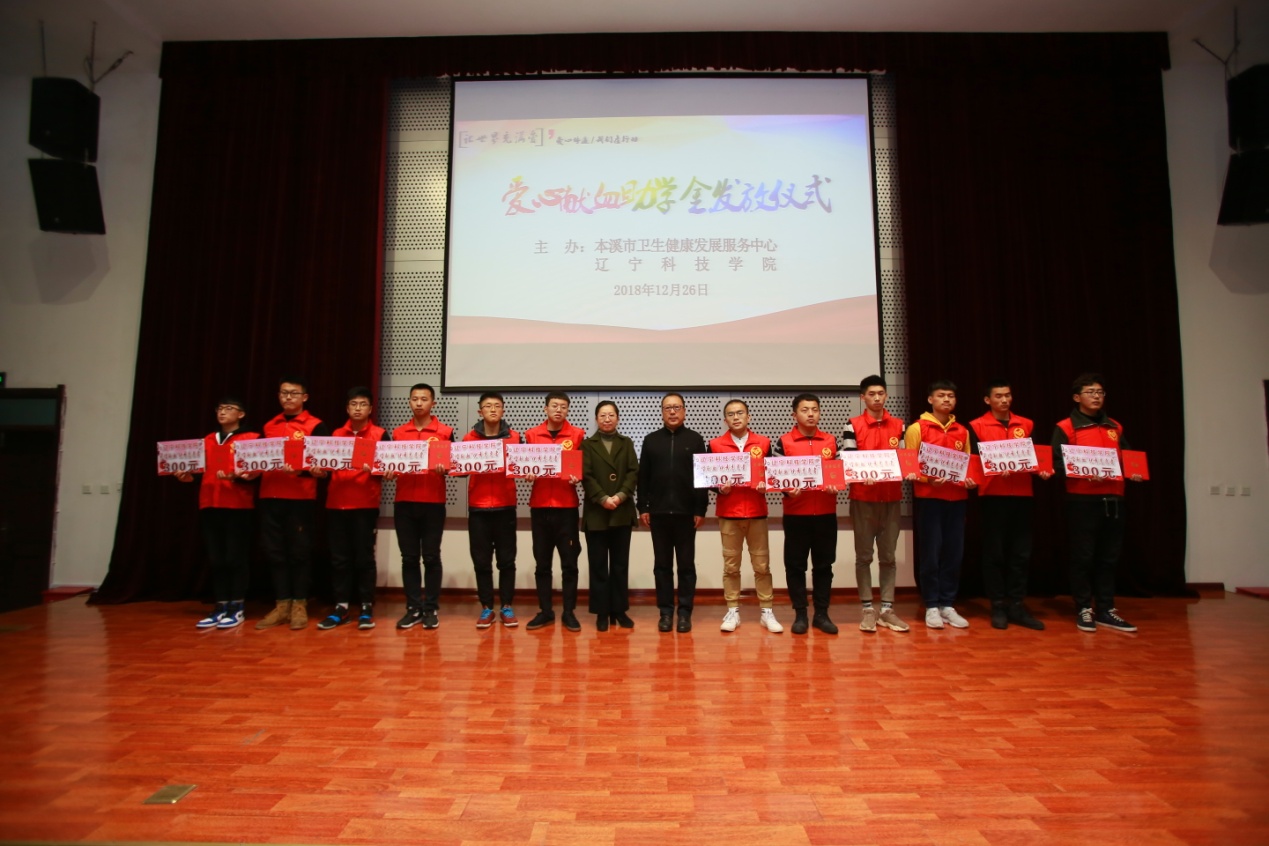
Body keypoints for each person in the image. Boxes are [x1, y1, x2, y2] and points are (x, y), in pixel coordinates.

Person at [1051, 373, 1143, 633]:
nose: (1096, 396)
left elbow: (1128, 456)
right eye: (1090, 392)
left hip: (1113, 499)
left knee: (1109, 558)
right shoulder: (1066, 427)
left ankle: (1106, 609)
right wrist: (1081, 472)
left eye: (1100, 392)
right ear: (1077, 397)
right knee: (1083, 557)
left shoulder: (1115, 427)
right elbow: (1056, 464)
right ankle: (1083, 607)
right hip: (1082, 501)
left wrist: (1134, 471)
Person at [968, 380, 1049, 631]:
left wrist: (1042, 469)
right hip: (992, 496)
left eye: (1008, 395)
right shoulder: (976, 426)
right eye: (999, 396)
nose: (1004, 400)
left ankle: (1017, 605)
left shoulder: (1026, 424)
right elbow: (973, 462)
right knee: (994, 554)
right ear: (987, 400)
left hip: (1022, 496)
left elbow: (1036, 456)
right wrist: (993, 469)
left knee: (1020, 554)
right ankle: (998, 605)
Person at [175, 396, 259, 629]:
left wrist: (241, 476)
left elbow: (257, 473)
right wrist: (187, 477)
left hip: (238, 505)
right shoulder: (208, 440)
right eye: (220, 408)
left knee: (235, 557)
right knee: (216, 558)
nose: (222, 412)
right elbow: (199, 472)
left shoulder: (252, 439)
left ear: (241, 414)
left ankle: (237, 606)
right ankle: (221, 605)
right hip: (210, 504)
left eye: (229, 408)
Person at [255, 376, 331, 631]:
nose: (288, 397)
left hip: (301, 499)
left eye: (294, 393)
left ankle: (299, 604)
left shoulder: (315, 425)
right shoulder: (269, 426)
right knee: (274, 552)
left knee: (299, 553)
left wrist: (302, 471)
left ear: (304, 397)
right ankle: (281, 604)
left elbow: (324, 465)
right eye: (284, 393)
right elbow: (256, 459)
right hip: (270, 497)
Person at [904, 380, 977, 629]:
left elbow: (967, 464)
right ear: (930, 399)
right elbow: (909, 465)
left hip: (957, 500)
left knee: (953, 553)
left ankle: (947, 603)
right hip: (929, 499)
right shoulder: (917, 428)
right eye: (941, 395)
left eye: (951, 396)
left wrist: (970, 480)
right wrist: (928, 480)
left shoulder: (962, 431)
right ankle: (931, 605)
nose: (946, 400)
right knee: (931, 553)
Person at [316, 387, 390, 631]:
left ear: (370, 409)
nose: (358, 408)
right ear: (347, 408)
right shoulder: (335, 435)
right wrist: (318, 471)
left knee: (364, 557)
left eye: (363, 404)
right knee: (340, 558)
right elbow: (324, 467)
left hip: (365, 505)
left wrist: (379, 468)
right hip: (336, 504)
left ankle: (366, 606)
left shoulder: (380, 435)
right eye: (354, 404)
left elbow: (388, 468)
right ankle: (341, 607)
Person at [842, 375, 909, 634]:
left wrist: (908, 470)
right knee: (864, 556)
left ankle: (887, 610)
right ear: (863, 397)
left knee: (889, 556)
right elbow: (848, 461)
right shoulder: (852, 425)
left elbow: (903, 460)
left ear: (886, 396)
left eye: (881, 393)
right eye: (871, 394)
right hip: (863, 499)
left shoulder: (899, 426)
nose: (877, 398)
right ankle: (868, 609)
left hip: (891, 498)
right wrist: (862, 474)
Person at [709, 400, 782, 633]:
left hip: (756, 511)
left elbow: (773, 474)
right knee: (731, 566)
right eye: (731, 414)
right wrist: (719, 488)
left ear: (748, 417)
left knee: (762, 565)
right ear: (725, 420)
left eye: (740, 413)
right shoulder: (715, 444)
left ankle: (767, 611)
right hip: (729, 512)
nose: (736, 417)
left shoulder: (763, 443)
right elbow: (707, 478)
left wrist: (766, 484)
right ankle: (733, 610)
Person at [639, 392, 709, 633]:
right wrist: (643, 507)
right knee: (662, 566)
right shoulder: (651, 440)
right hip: (658, 514)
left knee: (686, 566)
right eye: (667, 407)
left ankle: (685, 613)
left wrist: (700, 509)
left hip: (686, 514)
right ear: (662, 412)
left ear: (684, 411)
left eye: (677, 407)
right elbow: (643, 477)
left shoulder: (695, 439)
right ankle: (666, 612)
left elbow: (702, 477)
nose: (672, 411)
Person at [773, 393, 843, 635]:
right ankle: (800, 614)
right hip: (796, 514)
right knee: (795, 566)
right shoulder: (784, 442)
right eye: (805, 410)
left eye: (815, 409)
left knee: (824, 565)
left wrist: (837, 484)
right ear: (795, 415)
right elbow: (776, 476)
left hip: (825, 513)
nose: (811, 414)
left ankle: (822, 614)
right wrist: (787, 490)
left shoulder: (831, 441)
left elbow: (839, 473)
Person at [389, 383, 454, 631]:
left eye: (424, 399)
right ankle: (413, 608)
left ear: (433, 403)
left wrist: (445, 468)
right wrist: (388, 471)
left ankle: (431, 608)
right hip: (404, 502)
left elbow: (453, 465)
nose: (418, 403)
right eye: (414, 399)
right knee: (409, 558)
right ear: (409, 402)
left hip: (433, 503)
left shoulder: (445, 432)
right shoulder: (398, 433)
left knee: (431, 556)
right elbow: (389, 464)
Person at [523, 392, 587, 633]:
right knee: (542, 563)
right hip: (540, 507)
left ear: (568, 410)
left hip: (567, 508)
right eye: (554, 406)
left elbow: (584, 467)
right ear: (545, 409)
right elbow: (522, 464)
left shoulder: (578, 435)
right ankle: (546, 611)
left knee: (569, 563)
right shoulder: (531, 435)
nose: (558, 410)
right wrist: (527, 472)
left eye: (563, 406)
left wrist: (578, 476)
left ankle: (569, 612)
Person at [464, 392, 522, 629]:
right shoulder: (469, 439)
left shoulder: (515, 437)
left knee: (507, 561)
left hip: (505, 506)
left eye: (497, 405)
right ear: (480, 411)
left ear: (503, 410)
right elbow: (459, 469)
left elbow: (522, 466)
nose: (493, 409)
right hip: (478, 508)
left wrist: (528, 471)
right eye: (488, 406)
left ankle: (507, 605)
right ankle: (486, 607)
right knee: (481, 561)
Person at [581, 401, 639, 632]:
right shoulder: (587, 445)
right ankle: (601, 612)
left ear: (618, 418)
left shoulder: (627, 443)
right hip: (596, 512)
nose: (607, 419)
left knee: (619, 564)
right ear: (596, 419)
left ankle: (619, 610)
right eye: (603, 415)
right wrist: (603, 498)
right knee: (597, 565)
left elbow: (633, 472)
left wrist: (621, 495)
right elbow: (585, 475)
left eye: (611, 415)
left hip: (621, 511)